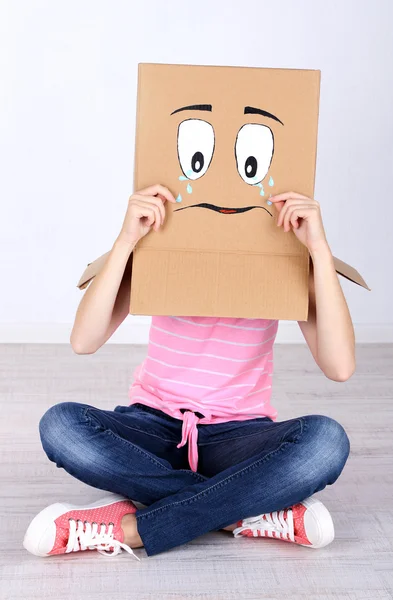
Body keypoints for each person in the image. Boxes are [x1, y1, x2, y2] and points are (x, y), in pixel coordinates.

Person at [23, 184, 354, 560]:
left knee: (326, 441)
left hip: (239, 434)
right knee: (61, 425)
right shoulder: (160, 250)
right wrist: (128, 238)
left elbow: (339, 366)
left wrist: (318, 250)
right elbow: (84, 340)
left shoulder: (282, 260)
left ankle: (133, 529)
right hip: (154, 425)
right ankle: (240, 508)